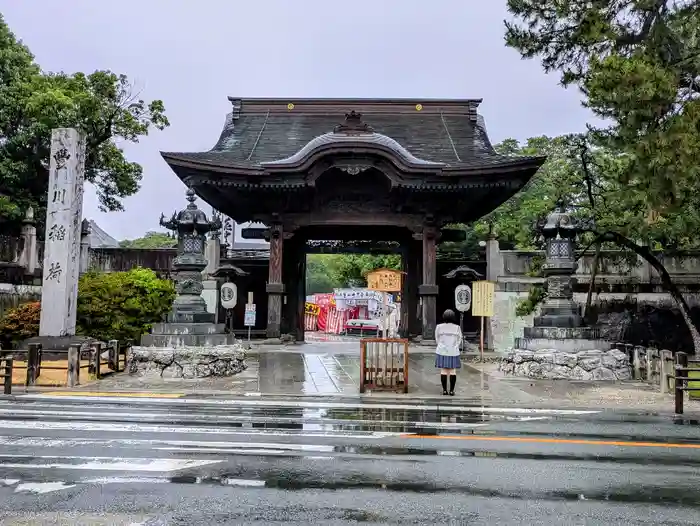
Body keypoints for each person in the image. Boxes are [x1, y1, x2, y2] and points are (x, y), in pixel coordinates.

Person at [434, 309, 462, 396]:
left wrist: (441, 345)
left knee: (444, 370)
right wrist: (454, 346)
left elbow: (437, 338)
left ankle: (444, 390)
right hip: (453, 351)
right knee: (452, 371)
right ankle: (452, 391)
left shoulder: (439, 327)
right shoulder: (457, 327)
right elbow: (459, 339)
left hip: (442, 350)